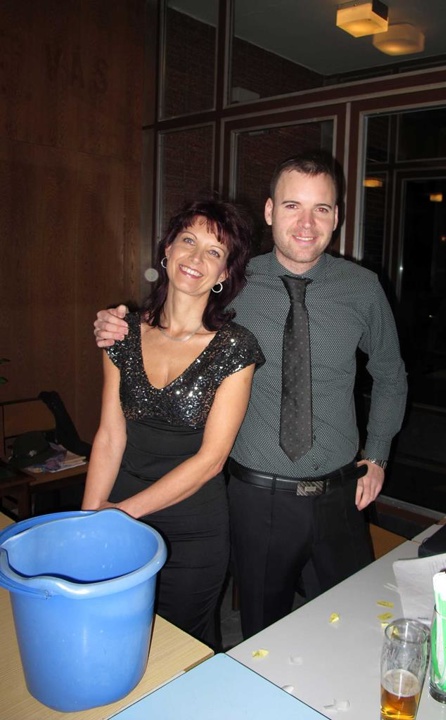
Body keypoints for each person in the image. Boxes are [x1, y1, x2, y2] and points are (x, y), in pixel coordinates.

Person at [93, 151, 408, 640]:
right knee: (262, 633)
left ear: (337, 217)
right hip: (256, 496)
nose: (306, 223)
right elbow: (175, 310)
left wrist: (379, 454)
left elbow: (390, 374)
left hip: (340, 493)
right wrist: (117, 323)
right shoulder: (233, 282)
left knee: (356, 627)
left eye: (321, 209)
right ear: (269, 211)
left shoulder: (363, 288)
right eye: (292, 206)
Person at [83, 198, 264, 649]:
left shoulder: (234, 348)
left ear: (224, 273)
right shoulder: (122, 333)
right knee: (117, 636)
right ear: (167, 249)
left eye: (214, 251)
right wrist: (89, 520)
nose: (196, 257)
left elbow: (211, 460)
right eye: (188, 240)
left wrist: (121, 513)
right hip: (118, 509)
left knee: (181, 648)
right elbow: (110, 435)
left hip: (193, 529)